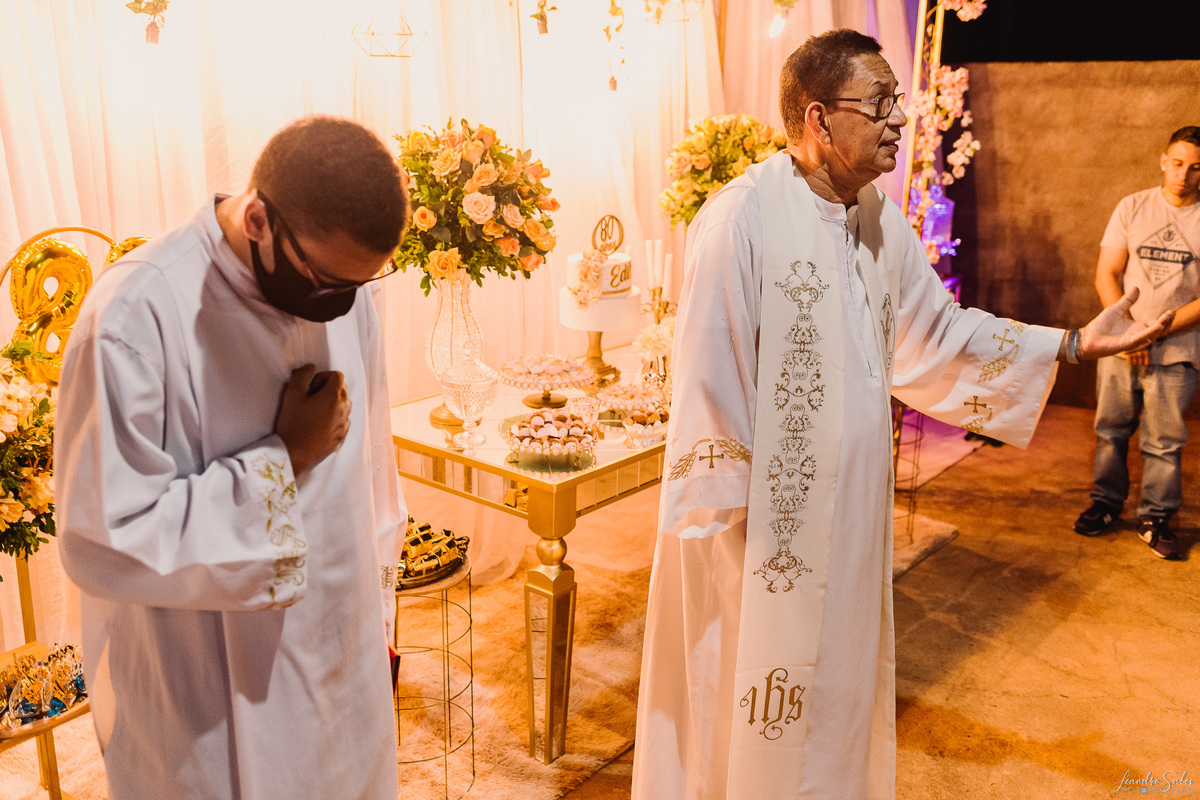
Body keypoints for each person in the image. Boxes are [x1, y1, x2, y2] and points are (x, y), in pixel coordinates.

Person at [631, 29, 1171, 800]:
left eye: (898, 103)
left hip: (850, 519)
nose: (899, 121)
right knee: (750, 702)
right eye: (880, 104)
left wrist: (1076, 343)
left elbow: (937, 332)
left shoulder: (876, 216)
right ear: (819, 118)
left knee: (836, 689)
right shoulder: (740, 220)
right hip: (758, 534)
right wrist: (735, 531)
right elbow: (708, 378)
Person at [55, 116, 410, 800]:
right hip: (208, 688)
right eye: (324, 280)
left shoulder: (344, 291)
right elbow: (103, 537)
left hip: (341, 644)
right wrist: (283, 459)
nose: (338, 304)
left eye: (358, 285)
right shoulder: (134, 317)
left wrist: (379, 603)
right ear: (257, 220)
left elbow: (369, 463)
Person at [1072, 126, 1200, 560]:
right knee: (1110, 430)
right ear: (1164, 161)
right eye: (1177, 163)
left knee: (1164, 441)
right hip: (1121, 344)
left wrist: (1154, 332)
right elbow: (1107, 273)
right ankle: (1106, 504)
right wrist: (1129, 331)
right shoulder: (1133, 206)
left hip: (1177, 350)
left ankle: (1155, 518)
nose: (1184, 174)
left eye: (1195, 167)